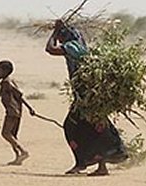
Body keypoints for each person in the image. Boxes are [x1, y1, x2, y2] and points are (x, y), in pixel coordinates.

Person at [45, 20, 127, 176]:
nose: (61, 41)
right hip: (90, 93)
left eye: (62, 37)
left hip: (84, 95)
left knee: (71, 126)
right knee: (96, 128)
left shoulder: (72, 47)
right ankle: (101, 166)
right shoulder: (82, 46)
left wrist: (55, 32)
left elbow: (50, 49)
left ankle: (81, 163)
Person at [0, 60, 36, 165]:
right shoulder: (5, 82)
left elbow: (19, 95)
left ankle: (23, 151)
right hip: (15, 111)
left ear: (6, 71)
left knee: (5, 133)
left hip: (12, 112)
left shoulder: (7, 82)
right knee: (12, 135)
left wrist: (30, 108)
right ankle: (18, 157)